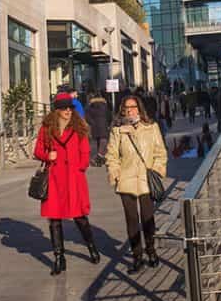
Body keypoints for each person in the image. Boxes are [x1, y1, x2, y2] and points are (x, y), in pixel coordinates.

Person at [33, 93, 99, 276]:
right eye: (64, 108)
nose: (68, 111)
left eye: (70, 108)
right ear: (57, 110)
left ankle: (92, 246)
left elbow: (85, 151)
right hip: (54, 179)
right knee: (54, 219)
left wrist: (80, 167)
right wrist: (48, 156)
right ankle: (59, 258)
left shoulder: (79, 128)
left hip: (73, 178)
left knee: (80, 218)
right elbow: (38, 150)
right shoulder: (47, 128)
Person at [105, 95, 168, 274]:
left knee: (148, 219)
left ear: (139, 109)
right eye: (127, 107)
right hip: (126, 180)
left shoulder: (151, 127)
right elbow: (112, 156)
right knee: (132, 220)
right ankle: (137, 256)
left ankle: (151, 250)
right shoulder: (117, 131)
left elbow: (160, 152)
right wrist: (115, 175)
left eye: (133, 107)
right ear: (122, 110)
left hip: (146, 180)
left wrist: (156, 171)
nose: (130, 110)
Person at [86, 91, 110, 167]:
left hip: (94, 127)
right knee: (103, 141)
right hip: (104, 125)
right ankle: (100, 157)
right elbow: (109, 115)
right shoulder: (105, 106)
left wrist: (92, 123)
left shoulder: (90, 106)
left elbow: (87, 117)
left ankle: (94, 158)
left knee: (94, 142)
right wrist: (108, 123)